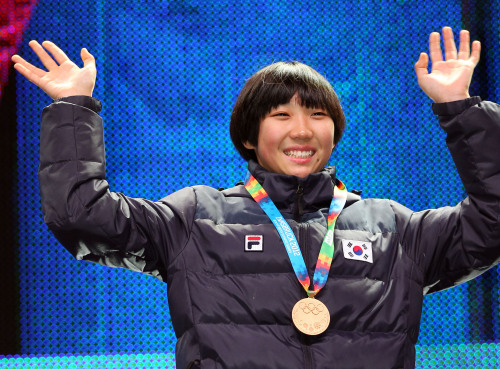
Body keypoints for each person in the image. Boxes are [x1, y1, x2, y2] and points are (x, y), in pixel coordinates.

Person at [11, 27, 500, 369]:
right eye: (281, 116)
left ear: (335, 132)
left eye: (317, 115)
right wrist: (72, 108)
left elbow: (491, 223)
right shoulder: (195, 219)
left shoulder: (395, 229)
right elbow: (81, 216)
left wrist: (460, 109)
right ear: (249, 135)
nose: (303, 130)